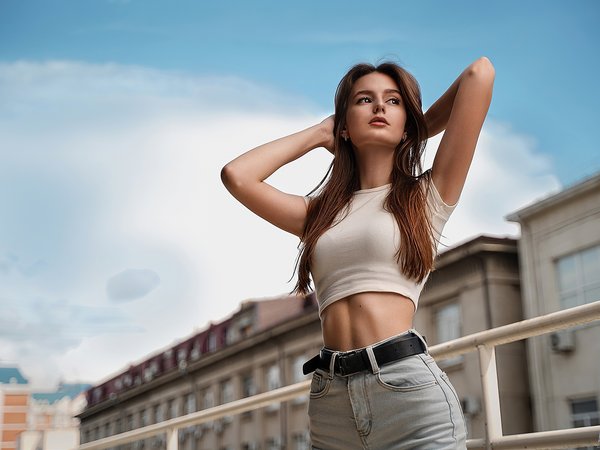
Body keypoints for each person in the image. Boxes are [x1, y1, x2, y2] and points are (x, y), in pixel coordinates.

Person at [221, 56, 495, 449]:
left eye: (394, 101)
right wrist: (319, 133)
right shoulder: (317, 214)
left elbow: (479, 74)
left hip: (407, 391)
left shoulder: (425, 198)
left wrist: (415, 132)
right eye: (365, 100)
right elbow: (237, 175)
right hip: (330, 401)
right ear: (344, 125)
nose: (380, 106)